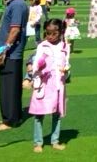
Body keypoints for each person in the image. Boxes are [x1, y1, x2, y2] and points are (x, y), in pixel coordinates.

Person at [0, 0, 29, 131]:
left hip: (11, 53)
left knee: (9, 87)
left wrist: (4, 49)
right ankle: (13, 116)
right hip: (10, 52)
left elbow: (15, 29)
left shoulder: (18, 5)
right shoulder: (15, 4)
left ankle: (10, 119)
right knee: (9, 86)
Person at [28, 19, 69, 153]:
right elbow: (35, 65)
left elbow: (67, 63)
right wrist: (39, 67)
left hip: (58, 84)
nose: (50, 36)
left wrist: (66, 70)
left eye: (54, 33)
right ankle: (38, 142)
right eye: (48, 33)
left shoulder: (64, 46)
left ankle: (55, 141)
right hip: (44, 84)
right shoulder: (42, 46)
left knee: (57, 113)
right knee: (39, 114)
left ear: (60, 32)